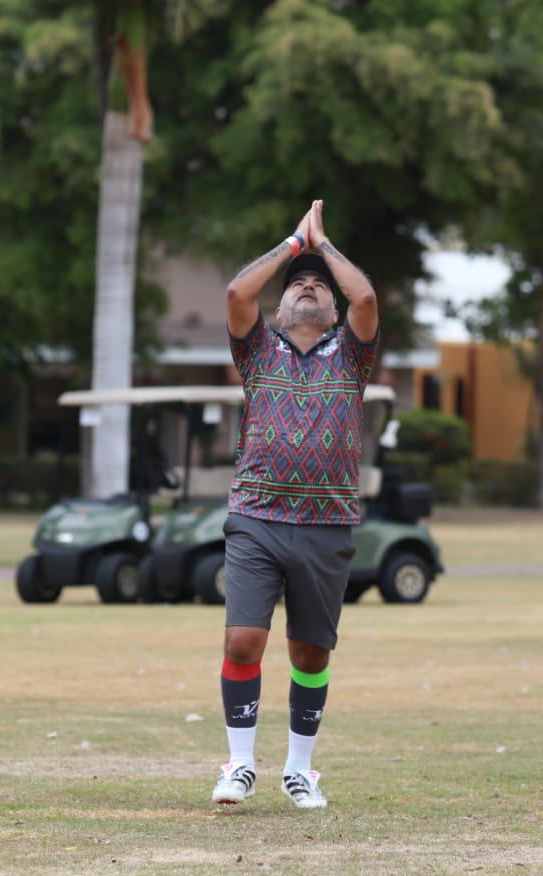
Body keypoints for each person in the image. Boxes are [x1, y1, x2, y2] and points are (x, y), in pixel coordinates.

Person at [211, 200, 379, 810]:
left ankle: (300, 771)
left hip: (327, 524)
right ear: (281, 308)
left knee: (310, 651)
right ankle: (239, 765)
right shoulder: (258, 350)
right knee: (243, 641)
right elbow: (236, 291)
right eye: (298, 285)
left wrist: (323, 246)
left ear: (331, 309)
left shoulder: (352, 355)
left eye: (319, 286)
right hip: (256, 518)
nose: (308, 287)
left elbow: (366, 301)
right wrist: (292, 244)